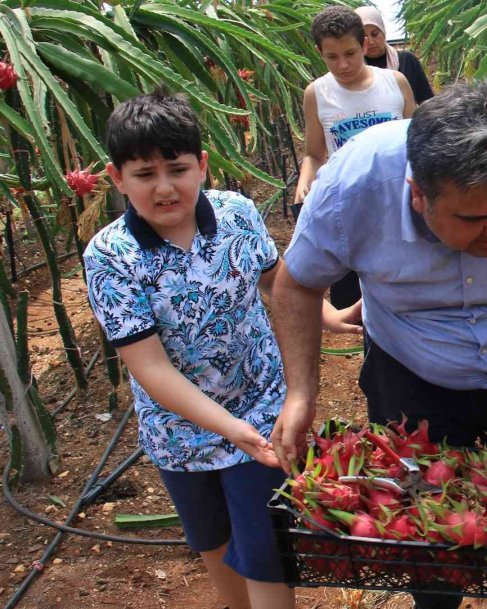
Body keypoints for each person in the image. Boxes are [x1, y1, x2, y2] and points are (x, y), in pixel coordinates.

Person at [270, 82, 487, 609]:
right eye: (473, 219)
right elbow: (296, 286)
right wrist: (301, 393)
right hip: (408, 376)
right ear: (418, 194)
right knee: (427, 554)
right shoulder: (352, 189)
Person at [83, 90, 359, 609]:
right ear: (117, 177)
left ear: (203, 165)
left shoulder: (237, 214)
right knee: (213, 541)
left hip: (262, 410)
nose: (165, 188)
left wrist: (331, 317)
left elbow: (275, 282)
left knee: (267, 548)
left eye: (177, 169)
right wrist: (229, 429)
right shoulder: (111, 256)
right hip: (178, 431)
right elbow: (151, 368)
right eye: (144, 174)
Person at [294, 5, 416, 309]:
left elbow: (418, 142)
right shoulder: (316, 93)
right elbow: (314, 153)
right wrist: (305, 182)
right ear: (320, 53)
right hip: (349, 206)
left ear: (364, 44)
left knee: (402, 285)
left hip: (397, 202)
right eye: (332, 57)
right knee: (351, 295)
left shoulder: (395, 82)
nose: (343, 65)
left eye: (350, 53)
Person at [355, 6, 434, 104]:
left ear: (383, 32)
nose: (371, 42)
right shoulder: (355, 69)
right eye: (364, 37)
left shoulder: (407, 61)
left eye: (375, 34)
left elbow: (427, 101)